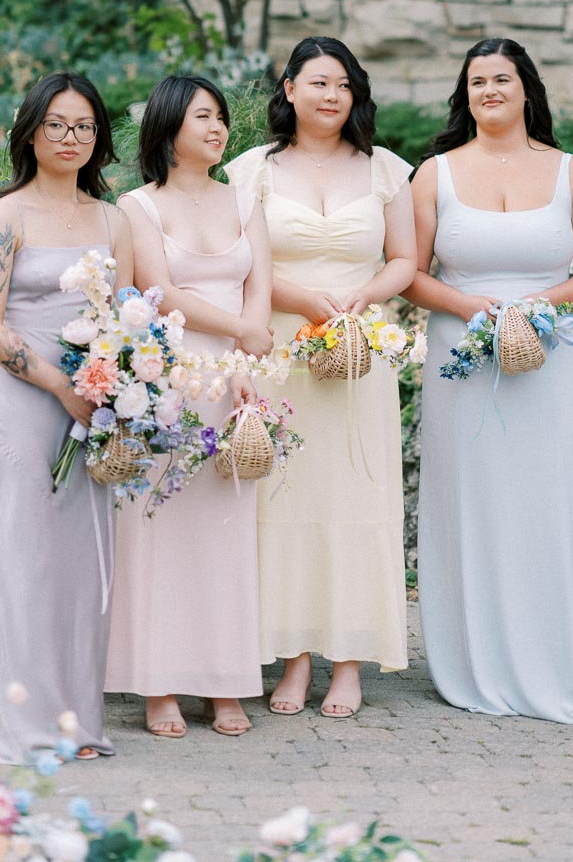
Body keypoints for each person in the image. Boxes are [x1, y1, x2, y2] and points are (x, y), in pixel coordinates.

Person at [404, 36, 573, 724]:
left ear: (527, 88)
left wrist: (535, 308)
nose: (489, 90)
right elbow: (408, 272)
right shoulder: (433, 174)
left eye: (501, 78)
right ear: (465, 96)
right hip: (460, 359)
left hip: (550, 360)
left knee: (543, 504)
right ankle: (472, 662)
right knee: (472, 504)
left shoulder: (569, 172)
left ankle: (552, 663)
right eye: (476, 81)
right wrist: (473, 308)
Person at [226, 37, 416, 718]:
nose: (331, 95)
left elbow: (405, 259)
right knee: (284, 499)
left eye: (343, 84)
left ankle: (350, 662)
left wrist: (364, 299)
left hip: (361, 353)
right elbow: (237, 259)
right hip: (280, 347)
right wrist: (298, 299)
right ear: (288, 88)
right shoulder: (252, 171)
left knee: (358, 498)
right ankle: (294, 658)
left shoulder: (387, 169)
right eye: (317, 83)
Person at [0, 71, 133, 763]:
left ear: (98, 137)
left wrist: (115, 385)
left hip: (90, 401)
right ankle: (21, 725)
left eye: (85, 126)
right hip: (26, 401)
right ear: (32, 130)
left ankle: (76, 723)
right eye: (58, 124)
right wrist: (56, 386)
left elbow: (124, 319)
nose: (71, 137)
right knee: (26, 558)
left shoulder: (110, 217)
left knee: (81, 563)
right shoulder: (7, 216)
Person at [105, 75, 273, 738]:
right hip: (168, 379)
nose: (217, 127)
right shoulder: (137, 206)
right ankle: (159, 683)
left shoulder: (245, 200)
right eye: (202, 116)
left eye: (220, 117)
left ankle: (224, 682)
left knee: (226, 533)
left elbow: (258, 284)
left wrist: (248, 355)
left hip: (236, 379)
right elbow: (160, 290)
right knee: (160, 531)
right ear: (169, 128)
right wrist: (239, 334)